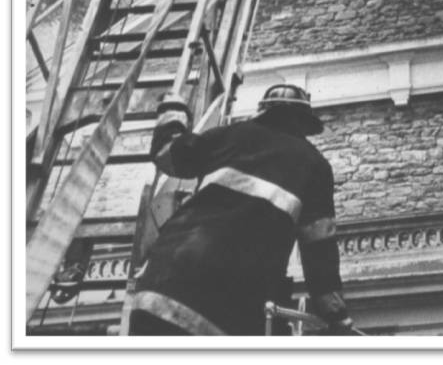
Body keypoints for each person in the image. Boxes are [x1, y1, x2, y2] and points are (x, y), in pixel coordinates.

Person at [128, 84, 354, 336]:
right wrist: (338, 318)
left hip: (158, 289)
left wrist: (174, 110)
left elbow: (166, 153)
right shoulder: (314, 166)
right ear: (304, 123)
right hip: (226, 304)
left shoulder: (228, 135)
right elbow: (319, 254)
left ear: (264, 113)